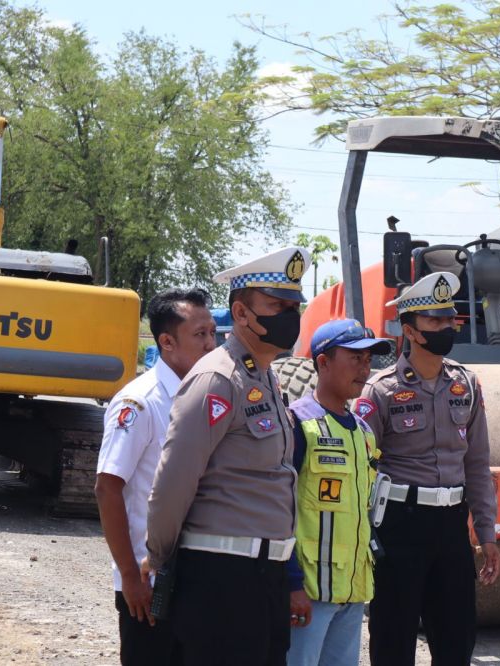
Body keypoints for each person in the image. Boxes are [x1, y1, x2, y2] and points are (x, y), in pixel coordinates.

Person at [142, 246, 311, 665]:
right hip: (222, 576)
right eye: (277, 306)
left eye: (294, 306)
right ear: (240, 313)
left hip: (266, 574)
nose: (290, 315)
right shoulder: (217, 378)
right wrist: (159, 556)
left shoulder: (266, 379)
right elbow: (174, 481)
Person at [359, 271, 500, 666]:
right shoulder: (381, 390)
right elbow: (361, 467)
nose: (447, 327)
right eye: (435, 321)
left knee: (457, 640)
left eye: (450, 319)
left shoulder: (465, 384)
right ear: (410, 331)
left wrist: (486, 533)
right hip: (399, 525)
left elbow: (477, 463)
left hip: (452, 527)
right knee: (393, 640)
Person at [95, 288, 216, 666]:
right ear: (166, 342)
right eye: (200, 334)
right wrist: (130, 577)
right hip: (150, 581)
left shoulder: (205, 397)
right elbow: (108, 488)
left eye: (213, 333)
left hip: (198, 576)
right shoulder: (141, 402)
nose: (211, 344)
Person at [286, 319, 392, 666]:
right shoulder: (298, 425)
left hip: (352, 591)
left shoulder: (363, 432)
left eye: (368, 360)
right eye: (355, 358)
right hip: (309, 592)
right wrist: (291, 583)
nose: (365, 368)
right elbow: (279, 510)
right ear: (323, 362)